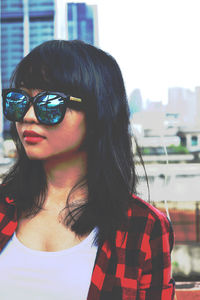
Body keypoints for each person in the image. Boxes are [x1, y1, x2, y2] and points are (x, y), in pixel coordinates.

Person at [0, 40, 175, 299]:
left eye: (49, 103)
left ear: (97, 113)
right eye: (20, 100)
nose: (27, 116)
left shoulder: (143, 227)